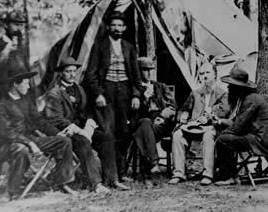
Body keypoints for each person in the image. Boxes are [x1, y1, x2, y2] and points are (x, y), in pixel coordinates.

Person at [0, 61, 76, 200]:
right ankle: (14, 191)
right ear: (15, 84)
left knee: (64, 141)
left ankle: (61, 182)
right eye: (25, 82)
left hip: (29, 141)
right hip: (4, 146)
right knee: (21, 149)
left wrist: (56, 133)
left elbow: (39, 121)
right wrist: (30, 144)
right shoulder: (1, 105)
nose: (29, 85)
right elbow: (8, 133)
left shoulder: (26, 100)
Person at [44, 57, 127, 192]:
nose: (72, 74)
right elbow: (56, 119)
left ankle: (112, 179)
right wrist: (78, 130)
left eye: (74, 71)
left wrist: (89, 124)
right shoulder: (55, 93)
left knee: (106, 138)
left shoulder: (80, 89)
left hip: (82, 128)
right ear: (61, 73)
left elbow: (87, 111)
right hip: (66, 132)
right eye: (68, 71)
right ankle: (96, 184)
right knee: (83, 142)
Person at [84, 11, 143, 181]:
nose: (116, 28)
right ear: (109, 27)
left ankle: (122, 172)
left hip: (125, 91)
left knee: (124, 131)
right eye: (114, 25)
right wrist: (98, 94)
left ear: (124, 28)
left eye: (120, 25)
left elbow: (136, 75)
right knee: (109, 132)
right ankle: (111, 174)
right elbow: (91, 74)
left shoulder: (129, 47)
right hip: (107, 91)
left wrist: (136, 95)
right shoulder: (99, 46)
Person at [213, 66, 268, 186]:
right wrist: (219, 122)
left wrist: (223, 134)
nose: (228, 87)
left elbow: (237, 127)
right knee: (225, 137)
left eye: (231, 85)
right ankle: (226, 172)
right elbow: (237, 122)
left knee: (223, 140)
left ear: (238, 87)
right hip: (259, 135)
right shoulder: (245, 98)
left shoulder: (250, 100)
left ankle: (229, 176)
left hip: (262, 139)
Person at [169, 62, 229, 186]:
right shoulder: (195, 93)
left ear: (215, 74)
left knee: (208, 135)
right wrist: (183, 115)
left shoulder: (222, 94)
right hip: (192, 126)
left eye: (207, 73)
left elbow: (224, 111)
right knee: (178, 135)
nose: (204, 76)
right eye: (202, 73)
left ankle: (207, 174)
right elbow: (183, 109)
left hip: (210, 127)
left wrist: (209, 117)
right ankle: (179, 173)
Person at [131, 57, 177, 184]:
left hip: (160, 124)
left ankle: (148, 170)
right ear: (139, 71)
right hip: (143, 123)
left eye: (151, 69)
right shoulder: (135, 90)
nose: (149, 73)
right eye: (146, 70)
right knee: (145, 124)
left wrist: (162, 116)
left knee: (145, 131)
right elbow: (133, 113)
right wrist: (144, 99)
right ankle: (153, 163)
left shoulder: (160, 86)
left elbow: (172, 106)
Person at [0, 11, 28, 119]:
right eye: (16, 24)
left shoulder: (21, 48)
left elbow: (25, 72)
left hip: (18, 100)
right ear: (6, 25)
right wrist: (6, 50)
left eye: (21, 25)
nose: (19, 28)